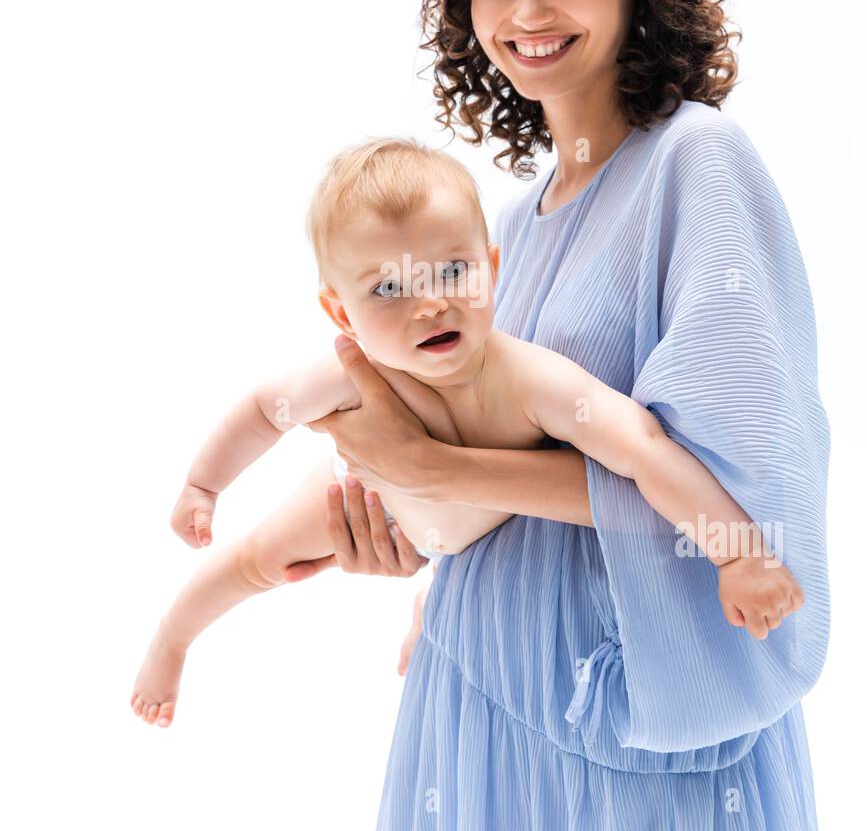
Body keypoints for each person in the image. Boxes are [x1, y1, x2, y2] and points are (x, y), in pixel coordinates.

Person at [303, 0, 847, 831]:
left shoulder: (699, 163)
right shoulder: (510, 226)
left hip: (624, 717)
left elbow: (736, 495)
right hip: (479, 700)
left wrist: (430, 461)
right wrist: (416, 526)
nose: (526, 12)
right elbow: (513, 471)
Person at [130, 137, 798, 728]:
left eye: (452, 270)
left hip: (476, 549)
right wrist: (202, 485)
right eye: (387, 288)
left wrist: (737, 553)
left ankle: (436, 622)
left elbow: (645, 450)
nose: (430, 303)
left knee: (483, 574)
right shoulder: (346, 375)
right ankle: (173, 637)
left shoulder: (531, 382)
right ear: (340, 310)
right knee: (256, 560)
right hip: (364, 499)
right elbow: (261, 410)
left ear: (492, 267)